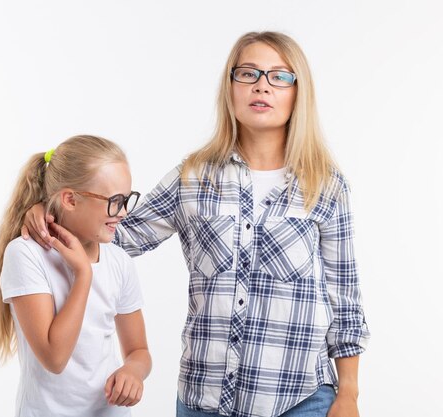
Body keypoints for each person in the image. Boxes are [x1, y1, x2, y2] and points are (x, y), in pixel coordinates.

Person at [24, 31, 370, 417]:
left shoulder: (325, 185)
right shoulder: (192, 178)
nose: (262, 86)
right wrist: (49, 211)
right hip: (205, 398)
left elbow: (346, 298)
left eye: (279, 76)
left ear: (297, 91)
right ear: (231, 86)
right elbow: (114, 234)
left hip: (299, 398)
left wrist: (349, 394)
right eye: (249, 74)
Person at [0, 135, 152, 417]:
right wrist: (83, 275)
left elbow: (138, 350)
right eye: (114, 201)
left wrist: (133, 371)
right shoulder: (26, 256)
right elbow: (55, 357)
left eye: (126, 200)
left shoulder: (119, 261)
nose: (123, 212)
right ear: (70, 199)